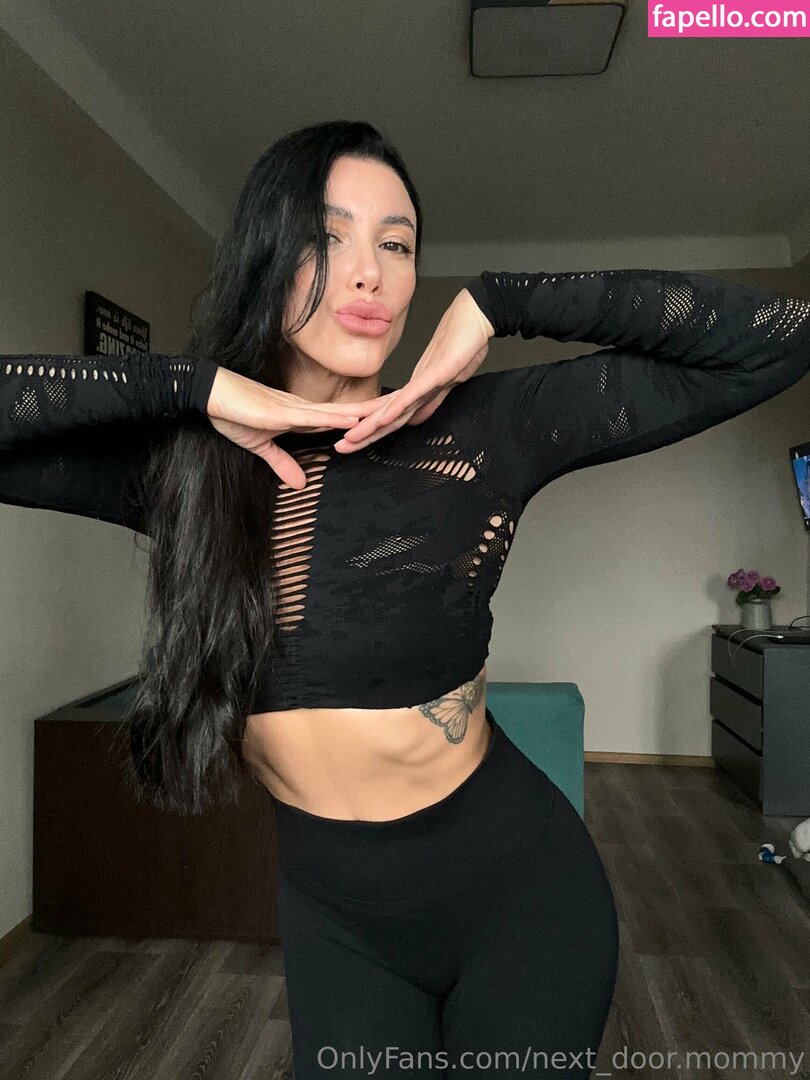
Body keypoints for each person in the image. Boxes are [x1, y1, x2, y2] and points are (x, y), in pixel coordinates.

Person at [3, 119, 810, 1079]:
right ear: (266, 256)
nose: (370, 274)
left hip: (520, 901)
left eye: (397, 244)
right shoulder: (184, 470)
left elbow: (777, 340)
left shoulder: (484, 431)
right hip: (335, 924)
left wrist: (502, 303)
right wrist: (194, 388)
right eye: (327, 238)